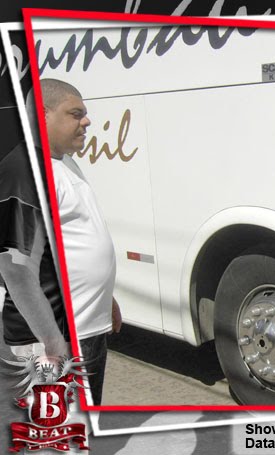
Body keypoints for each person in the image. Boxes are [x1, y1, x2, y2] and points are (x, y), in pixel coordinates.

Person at [40, 78, 122, 405]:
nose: (86, 121)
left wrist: (106, 298)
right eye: (76, 114)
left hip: (89, 326)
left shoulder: (65, 163)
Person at [0, 139, 70, 362]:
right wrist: (52, 341)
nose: (86, 123)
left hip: (58, 327)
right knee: (51, 386)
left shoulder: (57, 162)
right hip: (40, 337)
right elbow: (15, 269)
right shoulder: (22, 168)